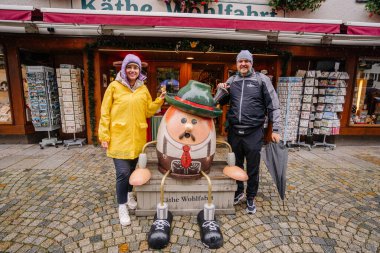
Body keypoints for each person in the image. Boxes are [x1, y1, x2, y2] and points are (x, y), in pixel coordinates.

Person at [98, 54, 166, 226]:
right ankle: (122, 207)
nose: (132, 70)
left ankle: (129, 195)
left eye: (135, 68)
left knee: (132, 170)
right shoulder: (114, 86)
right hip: (119, 138)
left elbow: (148, 111)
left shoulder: (143, 89)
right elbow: (105, 112)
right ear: (124, 69)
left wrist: (159, 100)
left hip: (137, 138)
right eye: (129, 67)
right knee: (122, 173)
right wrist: (104, 135)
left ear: (139, 70)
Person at [217, 50, 281, 214]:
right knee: (236, 165)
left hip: (253, 132)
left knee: (252, 167)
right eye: (240, 61)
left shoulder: (261, 80)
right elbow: (220, 102)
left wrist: (276, 129)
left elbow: (273, 105)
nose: (243, 64)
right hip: (235, 132)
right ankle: (238, 192)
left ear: (251, 63)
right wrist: (220, 89)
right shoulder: (232, 80)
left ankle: (250, 197)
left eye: (247, 61)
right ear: (237, 64)